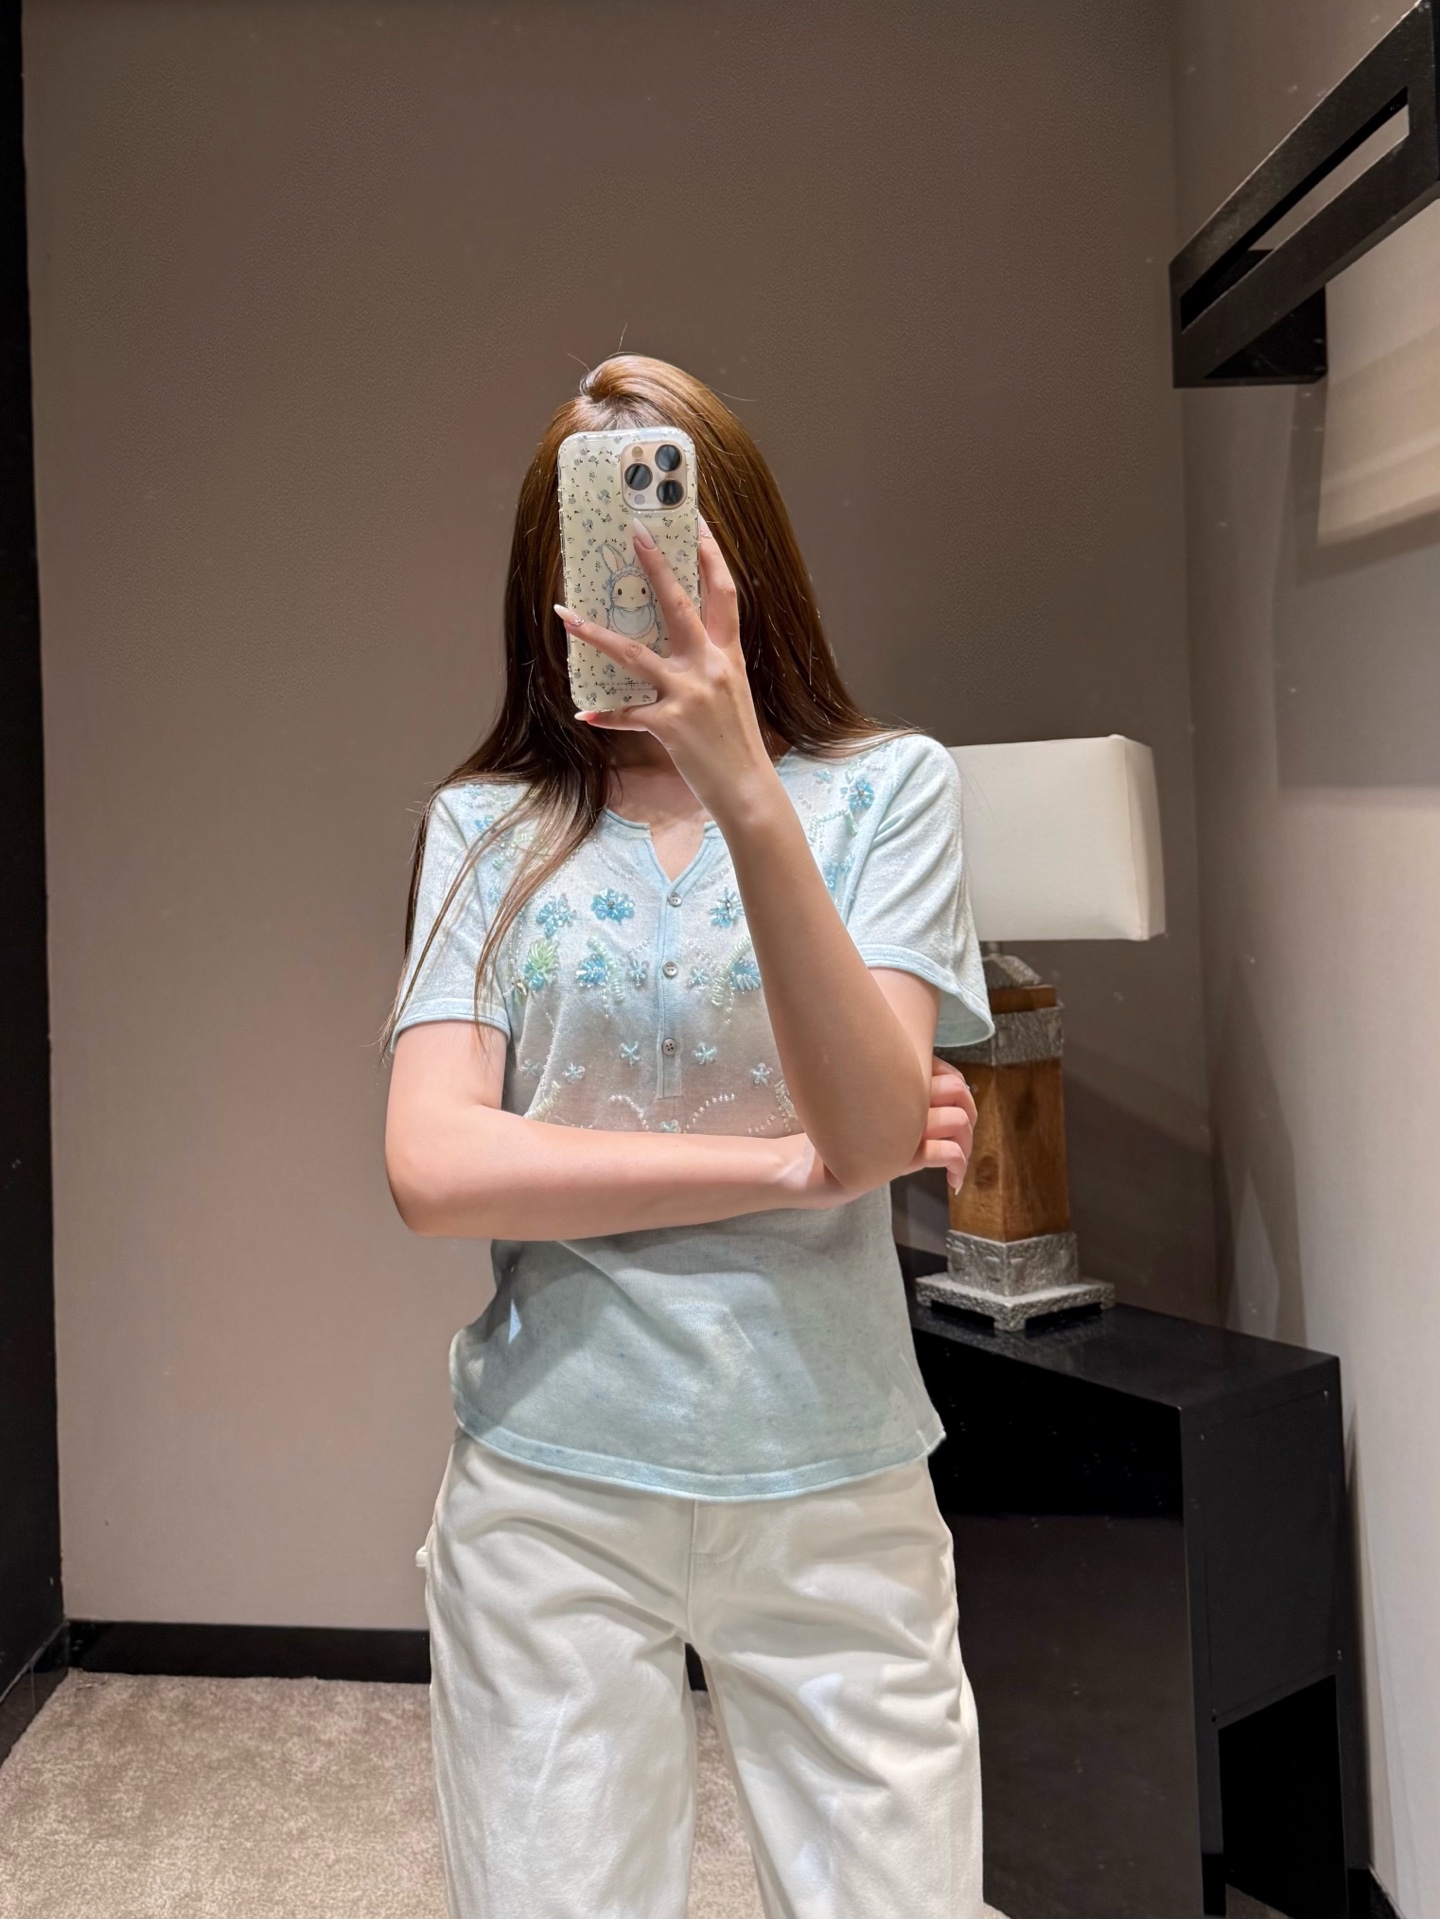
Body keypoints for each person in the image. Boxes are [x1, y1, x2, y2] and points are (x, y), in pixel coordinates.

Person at [382, 354, 995, 1919]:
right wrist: (787, 1164)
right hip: (551, 1485)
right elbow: (435, 1170)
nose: (636, 586)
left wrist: (743, 789)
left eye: (667, 535)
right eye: (597, 544)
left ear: (746, 558)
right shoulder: (486, 826)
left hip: (834, 1471)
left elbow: (873, 1123)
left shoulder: (890, 794)